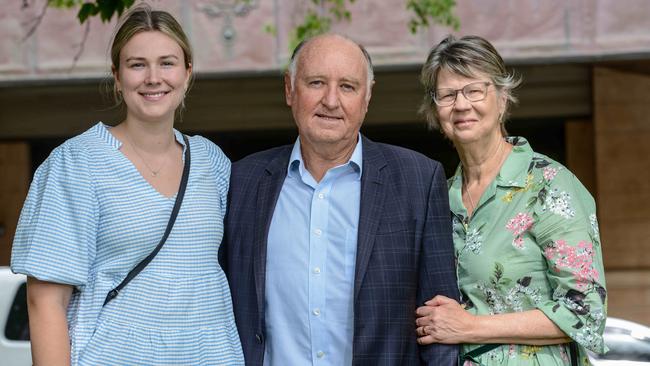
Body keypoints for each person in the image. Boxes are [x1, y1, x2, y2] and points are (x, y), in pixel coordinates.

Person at [11, 5, 244, 366]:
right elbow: (45, 302)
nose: (154, 77)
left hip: (211, 356)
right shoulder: (76, 164)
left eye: (167, 63)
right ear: (117, 77)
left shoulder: (211, 161)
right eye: (137, 64)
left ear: (187, 73)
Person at [220, 33, 460, 365]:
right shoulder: (242, 181)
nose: (331, 101)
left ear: (368, 96)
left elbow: (440, 325)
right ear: (290, 88)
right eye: (316, 82)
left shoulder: (418, 180)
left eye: (347, 86)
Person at [414, 34, 607, 365]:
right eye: (448, 95)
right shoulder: (438, 197)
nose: (461, 105)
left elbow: (585, 310)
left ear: (502, 98)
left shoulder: (549, 185)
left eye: (475, 90)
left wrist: (471, 327)